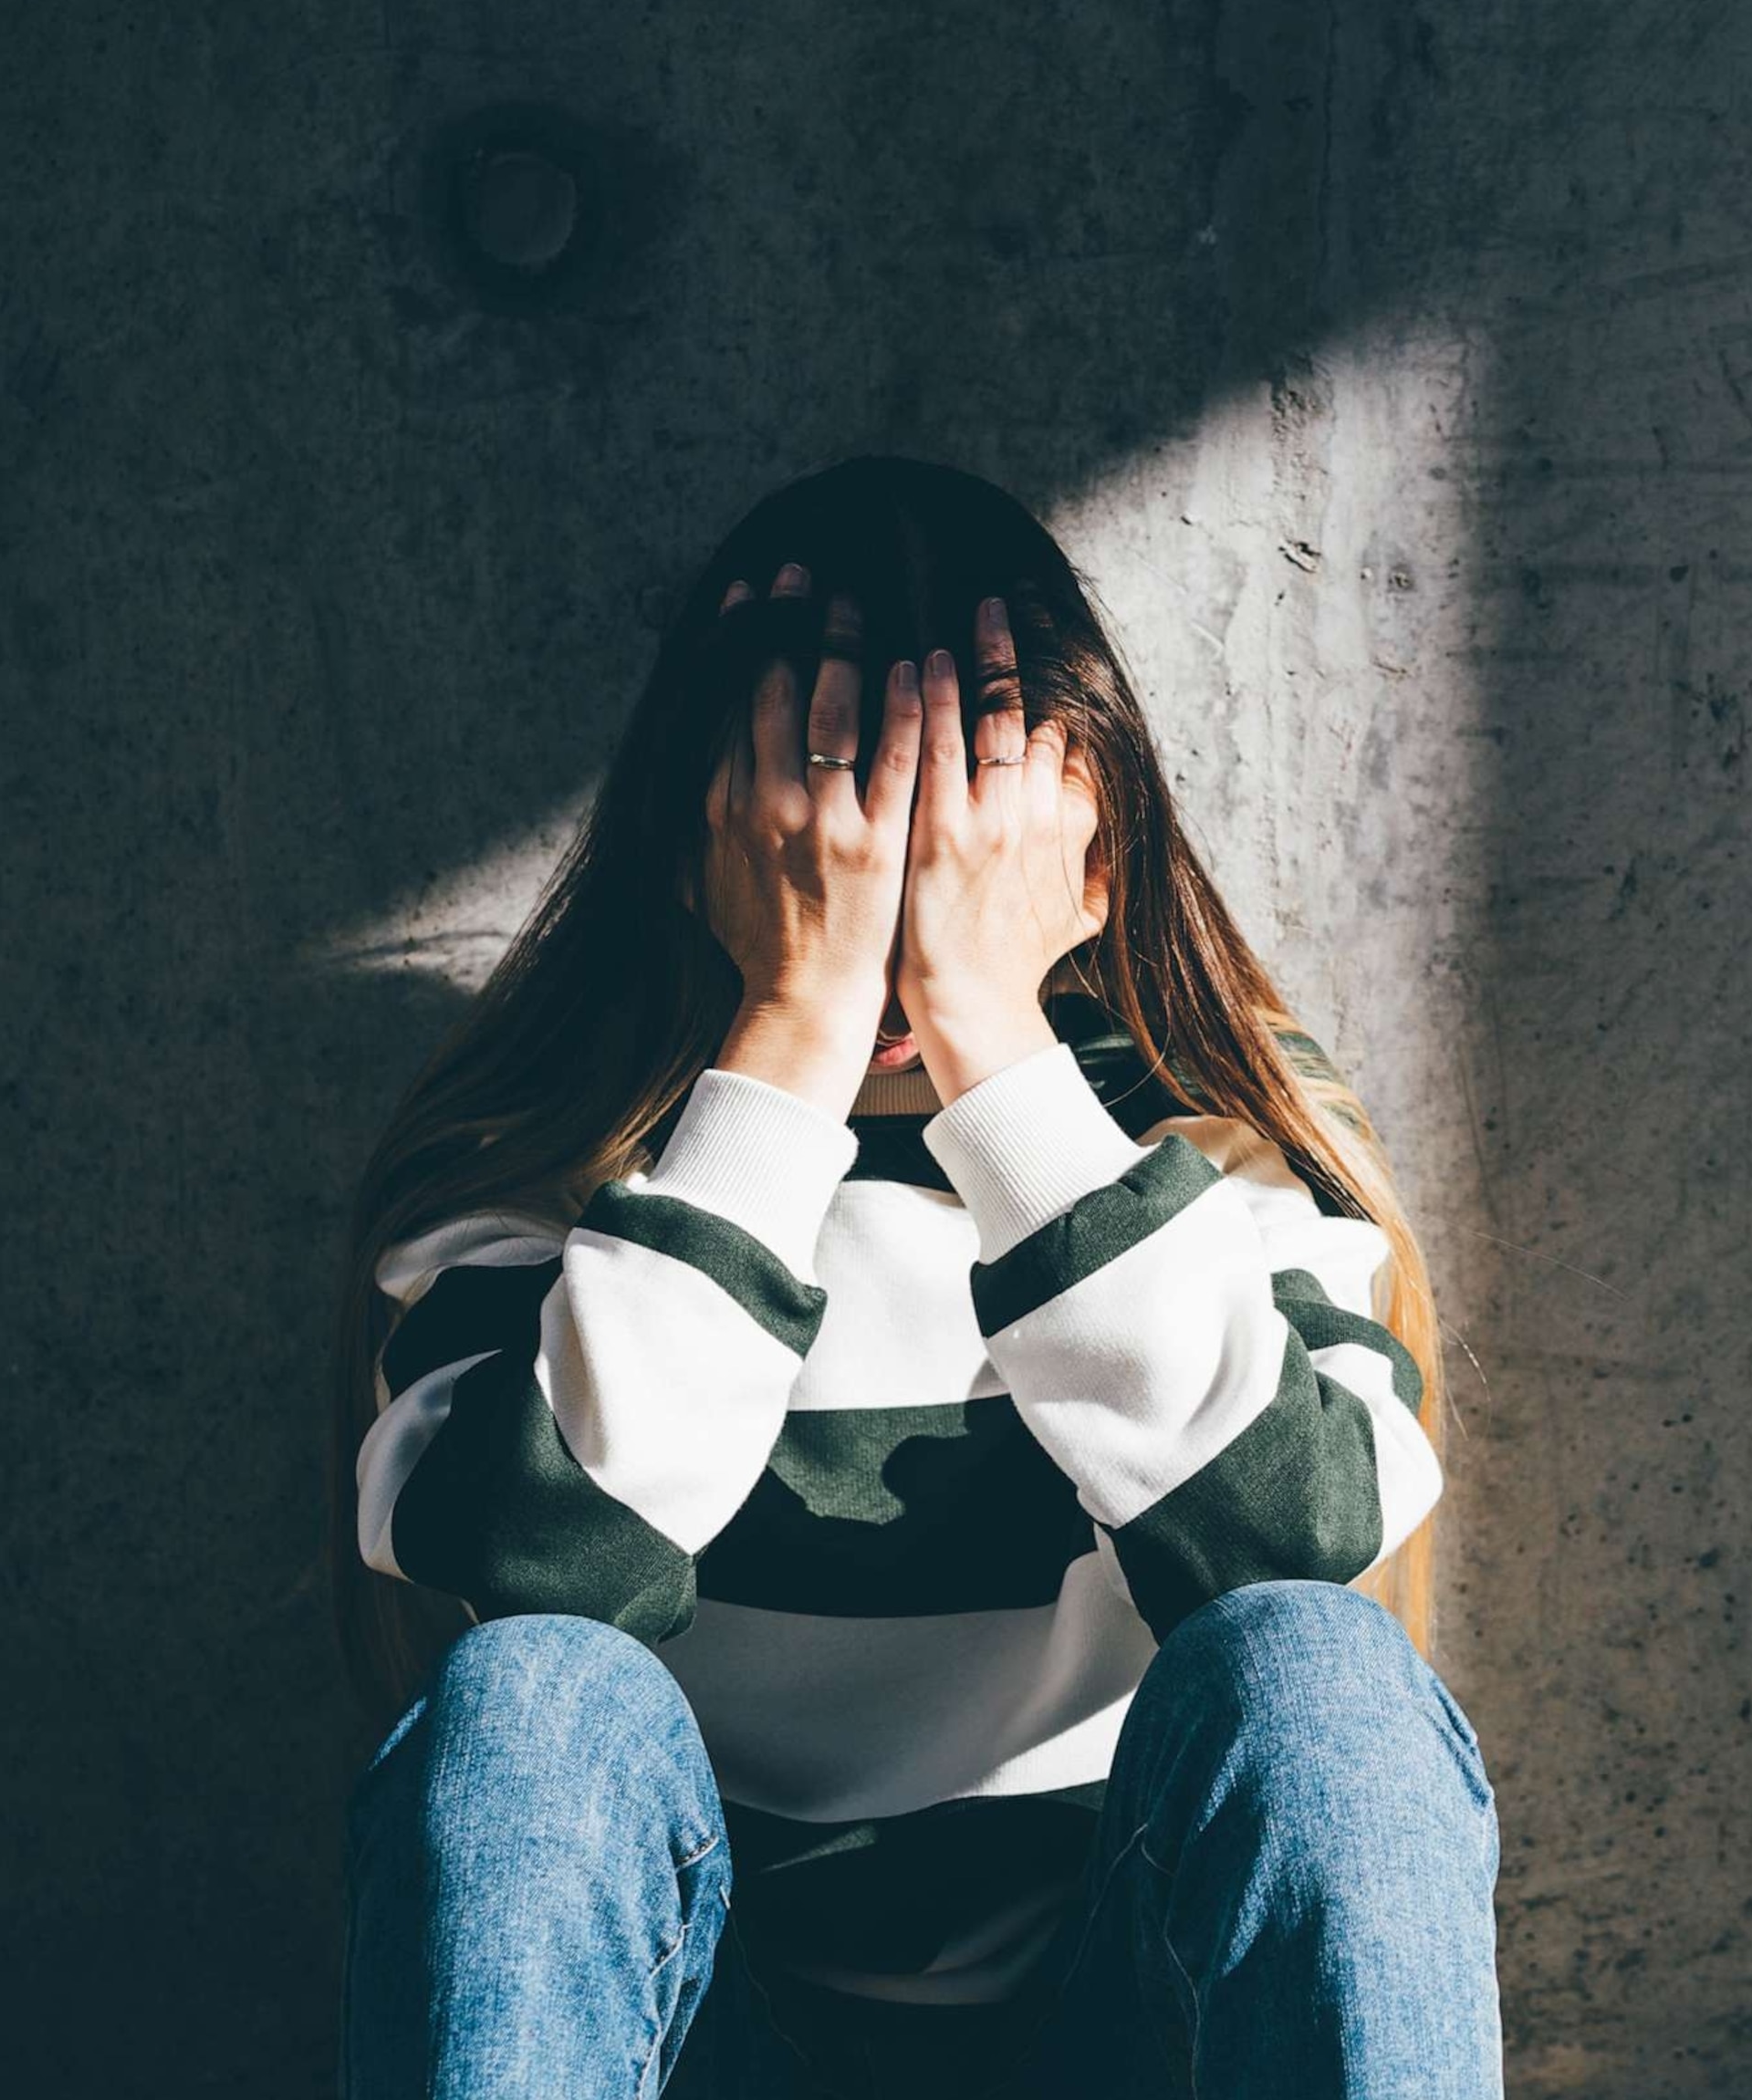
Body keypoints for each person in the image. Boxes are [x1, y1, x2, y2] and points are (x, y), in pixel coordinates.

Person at [327, 456, 1503, 2098]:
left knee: (1320, 1681)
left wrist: (996, 1050)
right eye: (818, 832)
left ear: (1093, 866)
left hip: (1130, 2032)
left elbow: (1288, 1535)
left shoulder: (1209, 1150)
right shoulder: (549, 1167)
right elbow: (545, 1558)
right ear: (704, 842)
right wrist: (792, 1030)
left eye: (957, 852)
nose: (884, 907)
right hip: (695, 2042)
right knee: (535, 1697)